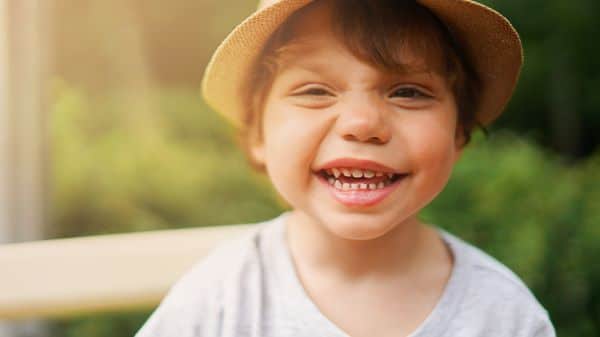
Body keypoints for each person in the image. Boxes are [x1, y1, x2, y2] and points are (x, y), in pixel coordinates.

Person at [136, 0, 556, 336]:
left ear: (458, 135)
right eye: (315, 90)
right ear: (257, 136)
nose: (363, 123)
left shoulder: (503, 316)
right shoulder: (217, 303)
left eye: (408, 92)